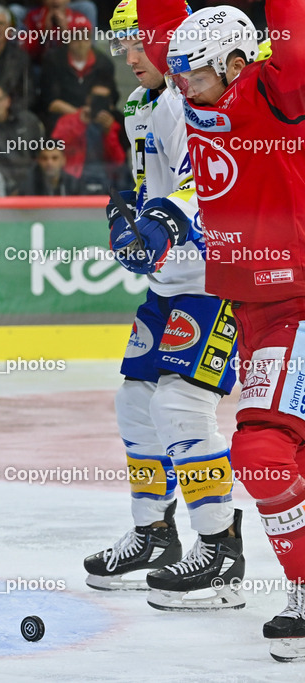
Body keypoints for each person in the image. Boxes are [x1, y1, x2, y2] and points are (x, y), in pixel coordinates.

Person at [137, 0, 305, 658]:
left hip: (297, 301)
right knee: (273, 454)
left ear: (239, 64)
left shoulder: (276, 95)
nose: (181, 90)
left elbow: (288, 30)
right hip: (252, 309)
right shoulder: (196, 100)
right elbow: (159, 31)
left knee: (262, 453)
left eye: (194, 78)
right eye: (174, 77)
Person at [82, 0, 244, 614]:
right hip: (168, 283)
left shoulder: (187, 102)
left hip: (212, 280)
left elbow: (208, 184)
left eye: (135, 43)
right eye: (120, 45)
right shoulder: (142, 106)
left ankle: (221, 551)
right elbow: (159, 182)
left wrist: (160, 225)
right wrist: (128, 207)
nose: (127, 58)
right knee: (136, 403)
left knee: (182, 405)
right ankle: (154, 533)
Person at [50, 82, 127, 194]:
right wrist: (79, 123)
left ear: (110, 103)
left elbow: (119, 162)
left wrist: (109, 133)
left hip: (106, 179)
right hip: (72, 176)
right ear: (88, 99)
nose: (98, 102)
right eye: (95, 98)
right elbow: (57, 148)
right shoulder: (69, 120)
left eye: (103, 99)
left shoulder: (113, 124)